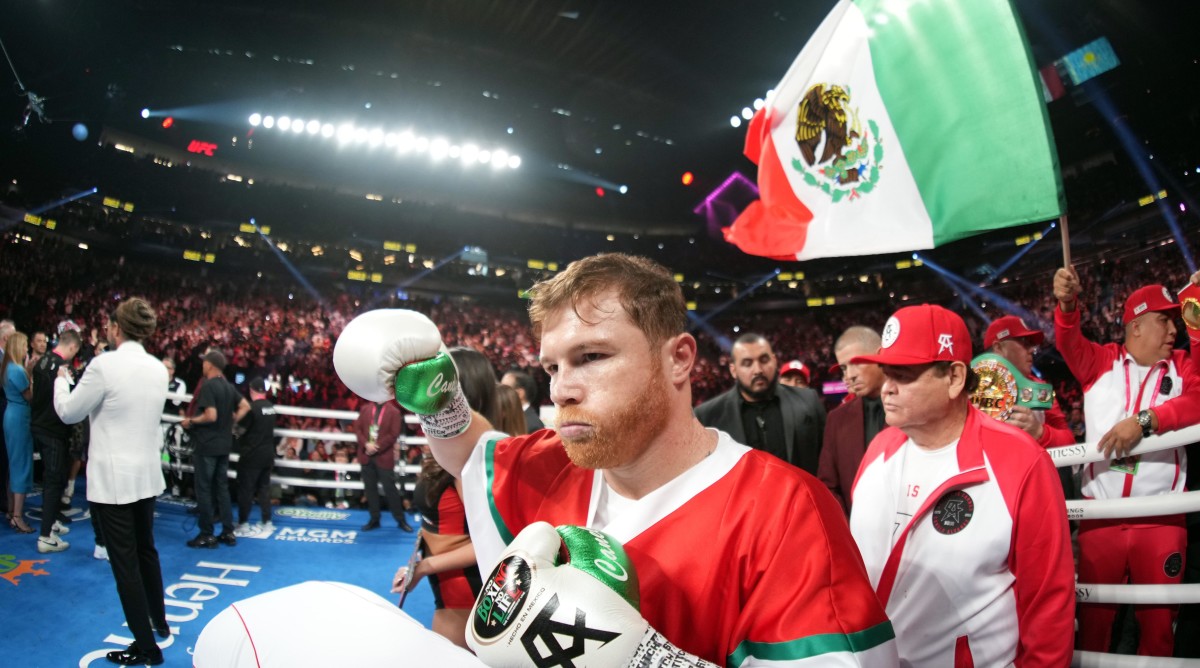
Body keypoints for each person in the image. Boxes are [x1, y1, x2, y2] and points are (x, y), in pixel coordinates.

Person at [336, 253, 897, 666]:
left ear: (678, 359)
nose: (561, 390)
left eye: (592, 357)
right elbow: (473, 454)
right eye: (553, 368)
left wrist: (647, 660)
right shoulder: (555, 462)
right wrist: (440, 401)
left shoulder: (788, 512)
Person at [849, 303, 1074, 666]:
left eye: (903, 375)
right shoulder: (877, 450)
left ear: (954, 378)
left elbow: (1048, 602)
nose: (885, 390)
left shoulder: (1020, 461)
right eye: (885, 372)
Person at [1054, 267, 1200, 656]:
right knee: (1094, 630)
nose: (1173, 330)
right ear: (1135, 326)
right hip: (1101, 519)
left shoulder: (1184, 365)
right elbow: (1068, 340)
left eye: (1175, 321)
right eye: (1163, 320)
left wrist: (1144, 422)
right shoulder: (1099, 361)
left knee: (1158, 632)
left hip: (1162, 518)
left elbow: (1199, 400)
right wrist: (1068, 305)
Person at [52, 298, 171, 666]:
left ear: (117, 328)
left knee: (125, 565)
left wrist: (60, 382)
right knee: (146, 551)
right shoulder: (157, 368)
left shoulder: (104, 365)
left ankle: (147, 649)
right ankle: (159, 623)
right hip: (147, 474)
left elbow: (69, 411)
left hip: (114, 479)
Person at [694, 332, 826, 475]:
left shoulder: (808, 401)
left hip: (801, 495)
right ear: (733, 370)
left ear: (774, 361)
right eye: (747, 363)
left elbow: (825, 461)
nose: (758, 370)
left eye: (764, 360)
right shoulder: (708, 416)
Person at [182, 350, 250, 548]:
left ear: (210, 365)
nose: (202, 365)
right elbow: (245, 405)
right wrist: (231, 420)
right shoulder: (228, 387)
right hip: (224, 444)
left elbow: (210, 415)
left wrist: (190, 421)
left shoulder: (208, 385)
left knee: (204, 489)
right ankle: (228, 532)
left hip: (207, 444)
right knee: (221, 488)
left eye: (204, 363)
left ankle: (206, 534)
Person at [817, 326, 885, 515]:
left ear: (879, 355)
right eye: (844, 368)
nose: (849, 375)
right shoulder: (836, 420)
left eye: (856, 363)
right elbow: (828, 486)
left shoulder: (914, 409)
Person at [982, 315, 1076, 448]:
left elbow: (1069, 442)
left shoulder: (1039, 390)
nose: (1032, 350)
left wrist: (1040, 432)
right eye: (1024, 342)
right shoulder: (968, 392)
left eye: (1031, 344)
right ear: (998, 348)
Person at [30, 328, 81, 552]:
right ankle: (45, 536)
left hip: (39, 425)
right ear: (72, 347)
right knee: (53, 481)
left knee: (54, 478)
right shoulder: (60, 368)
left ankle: (50, 523)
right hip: (53, 430)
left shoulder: (41, 361)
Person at [354, 398, 412, 532]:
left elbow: (394, 434)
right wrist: (366, 444)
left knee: (390, 489)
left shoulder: (394, 412)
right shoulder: (365, 409)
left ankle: (400, 519)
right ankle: (374, 519)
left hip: (384, 455)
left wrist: (377, 446)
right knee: (370, 489)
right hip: (366, 455)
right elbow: (358, 429)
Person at [233, 377, 276, 537]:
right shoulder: (271, 407)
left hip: (252, 454)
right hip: (267, 453)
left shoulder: (251, 408)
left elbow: (240, 431)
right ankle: (267, 521)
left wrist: (234, 429)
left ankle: (243, 523)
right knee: (264, 488)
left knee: (246, 489)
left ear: (252, 390)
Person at [3, 331, 35, 533]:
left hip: (12, 415)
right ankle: (17, 516)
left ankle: (11, 510)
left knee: (14, 463)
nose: (26, 350)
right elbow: (30, 396)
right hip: (19, 418)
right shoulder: (16, 370)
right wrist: (30, 373)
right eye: (24, 346)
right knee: (21, 464)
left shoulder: (7, 367)